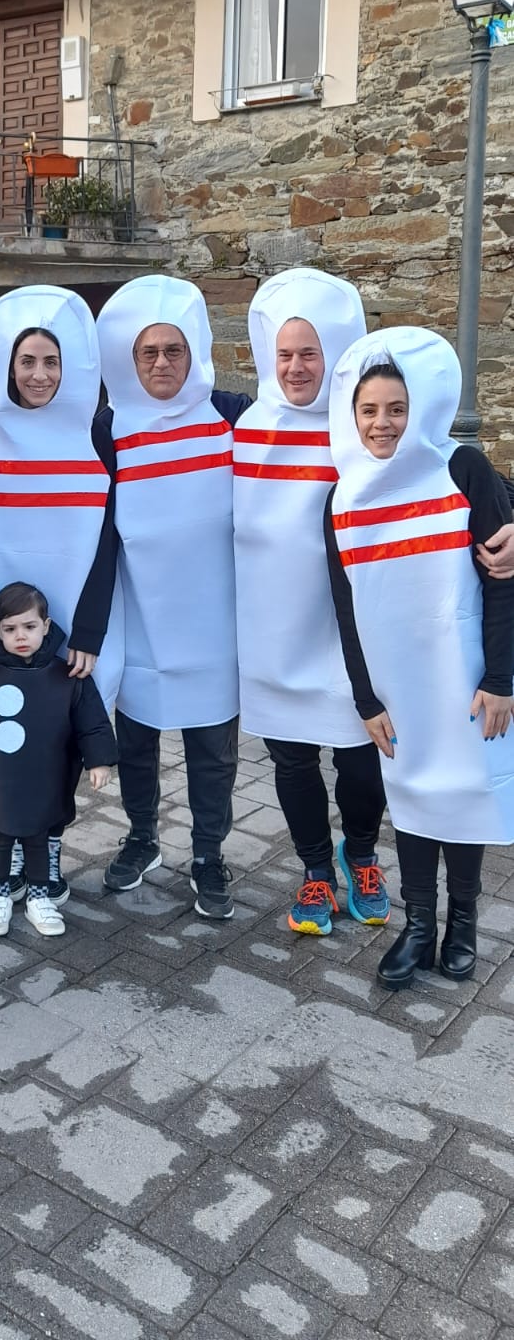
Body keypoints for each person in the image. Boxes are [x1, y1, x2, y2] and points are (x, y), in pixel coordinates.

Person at [325, 327, 514, 988]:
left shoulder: (461, 468)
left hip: (464, 680)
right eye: (369, 410)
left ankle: (463, 924)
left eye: (396, 409)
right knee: (410, 799)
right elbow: (344, 606)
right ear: (352, 415)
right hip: (396, 688)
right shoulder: (344, 497)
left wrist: (500, 677)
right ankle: (418, 926)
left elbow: (502, 578)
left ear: (422, 409)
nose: (382, 423)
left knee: (458, 797)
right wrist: (365, 699)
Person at [0, 285, 121, 906]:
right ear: (7, 368)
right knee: (1, 746)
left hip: (71, 628)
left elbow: (107, 543)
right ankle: (7, 850)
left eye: (51, 361)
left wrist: (92, 634)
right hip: (3, 631)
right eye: (27, 362)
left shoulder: (98, 436)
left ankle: (47, 853)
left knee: (62, 739)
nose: (40, 374)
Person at [233, 268, 389, 935]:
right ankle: (316, 870)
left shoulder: (360, 425)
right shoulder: (241, 429)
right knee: (292, 757)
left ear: (334, 354)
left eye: (310, 353)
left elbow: (449, 473)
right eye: (286, 354)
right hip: (272, 628)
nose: (296, 367)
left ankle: (362, 854)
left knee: (359, 754)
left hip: (349, 630)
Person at [96, 274, 250, 918]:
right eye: (147, 352)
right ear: (128, 360)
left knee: (211, 748)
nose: (161, 363)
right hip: (140, 615)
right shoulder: (107, 429)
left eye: (174, 350)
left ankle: (210, 852)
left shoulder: (233, 415)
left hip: (216, 619)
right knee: (137, 739)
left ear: (196, 354)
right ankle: (141, 837)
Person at [0, 581, 116, 938]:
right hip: (0, 776)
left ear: (46, 626)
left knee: (39, 836)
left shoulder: (67, 676)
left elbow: (91, 719)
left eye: (29, 627)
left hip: (47, 773)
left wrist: (99, 760)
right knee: (0, 832)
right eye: (10, 629)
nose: (21, 636)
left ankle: (39, 898)